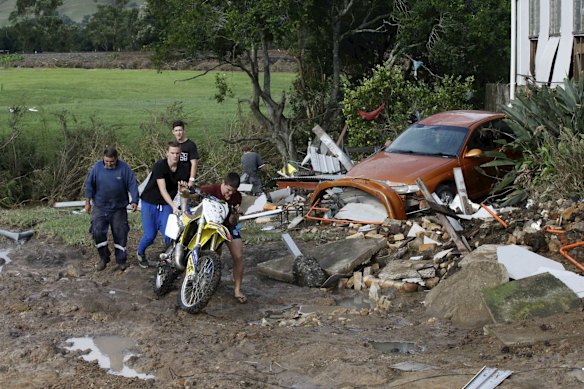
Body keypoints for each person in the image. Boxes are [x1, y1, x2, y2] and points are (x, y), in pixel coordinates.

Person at [84, 147, 139, 271]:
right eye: (106, 161)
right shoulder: (96, 168)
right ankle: (104, 257)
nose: (108, 164)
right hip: (100, 207)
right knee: (97, 231)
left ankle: (121, 260)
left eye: (111, 162)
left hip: (119, 208)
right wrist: (87, 203)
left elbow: (132, 183)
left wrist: (134, 200)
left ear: (116, 159)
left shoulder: (124, 168)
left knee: (121, 233)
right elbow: (89, 185)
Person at [137, 140, 190, 269]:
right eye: (172, 153)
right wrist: (173, 206)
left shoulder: (184, 168)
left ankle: (168, 259)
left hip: (166, 204)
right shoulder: (159, 166)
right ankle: (140, 253)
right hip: (150, 202)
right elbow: (162, 189)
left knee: (169, 235)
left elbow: (183, 190)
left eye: (177, 153)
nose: (175, 156)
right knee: (150, 235)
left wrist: (183, 209)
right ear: (167, 153)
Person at [199, 172, 247, 303]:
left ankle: (237, 290)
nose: (230, 194)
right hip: (212, 225)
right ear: (223, 183)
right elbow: (194, 195)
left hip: (227, 226)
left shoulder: (237, 197)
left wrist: (236, 214)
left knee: (238, 255)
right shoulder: (211, 190)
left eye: (233, 191)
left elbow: (233, 222)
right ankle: (206, 279)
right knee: (213, 253)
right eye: (228, 190)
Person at [172, 120, 199, 187]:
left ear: (184, 131)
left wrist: (191, 180)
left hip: (185, 181)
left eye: (180, 130)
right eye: (176, 131)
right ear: (173, 132)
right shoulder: (173, 145)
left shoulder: (190, 145)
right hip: (174, 180)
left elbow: (194, 164)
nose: (178, 133)